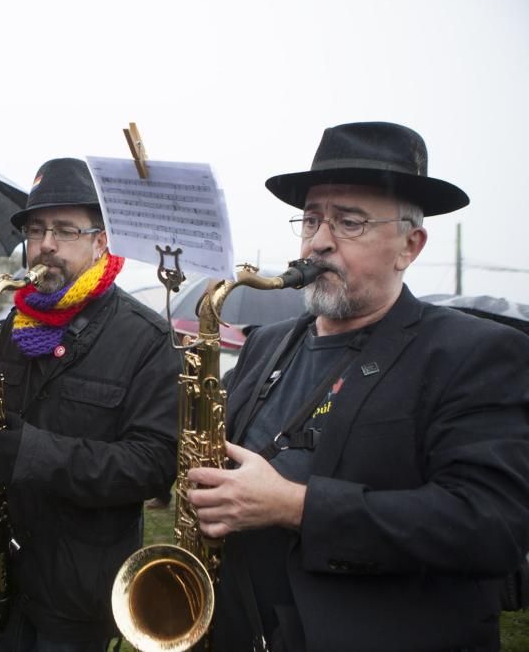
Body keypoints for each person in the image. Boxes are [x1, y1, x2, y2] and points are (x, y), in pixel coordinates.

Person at [186, 122, 529, 651]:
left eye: (349, 222)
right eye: (311, 220)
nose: (318, 241)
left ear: (409, 246)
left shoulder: (473, 352)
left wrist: (295, 506)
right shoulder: (266, 342)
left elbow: (492, 526)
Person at [0, 157, 179, 650]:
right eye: (37, 229)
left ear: (100, 240)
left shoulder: (146, 337)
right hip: (6, 565)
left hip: (81, 585)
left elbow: (152, 466)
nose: (45, 245)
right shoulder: (15, 326)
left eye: (64, 230)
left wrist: (31, 455)